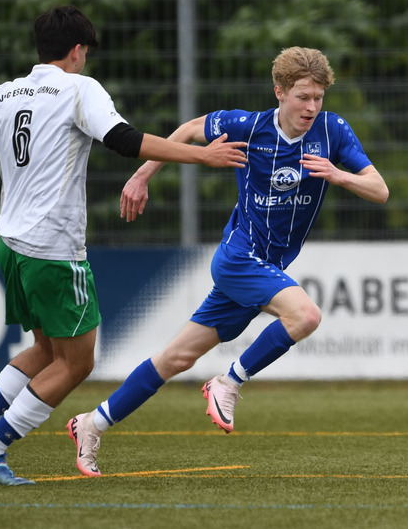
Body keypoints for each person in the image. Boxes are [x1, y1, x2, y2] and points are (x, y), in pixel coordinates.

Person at [0, 5, 248, 486]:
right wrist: (201, 155)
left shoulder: (4, 94)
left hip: (9, 244)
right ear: (77, 51)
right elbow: (122, 139)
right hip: (52, 248)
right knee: (78, 362)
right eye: (85, 53)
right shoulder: (79, 88)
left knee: (47, 349)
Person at [65, 46, 389, 478]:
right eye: (302, 97)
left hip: (263, 269)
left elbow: (379, 189)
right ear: (279, 92)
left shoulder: (333, 131)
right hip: (239, 258)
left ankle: (92, 423)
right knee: (305, 315)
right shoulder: (248, 125)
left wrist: (338, 174)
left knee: (175, 359)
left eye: (318, 98)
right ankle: (228, 381)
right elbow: (188, 130)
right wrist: (142, 176)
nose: (311, 107)